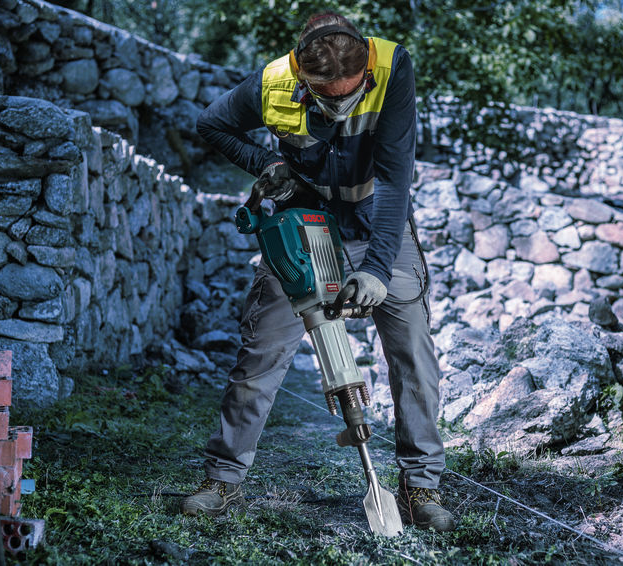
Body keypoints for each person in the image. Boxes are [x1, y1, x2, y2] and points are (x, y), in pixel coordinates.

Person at [181, 12, 456, 532]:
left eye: (350, 96)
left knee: (413, 355)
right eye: (328, 99)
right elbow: (211, 123)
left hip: (379, 224)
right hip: (301, 228)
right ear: (304, 78)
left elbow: (395, 177)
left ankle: (420, 486)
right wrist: (266, 163)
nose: (341, 108)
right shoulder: (272, 82)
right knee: (261, 354)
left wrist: (376, 270)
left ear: (365, 69)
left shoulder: (392, 66)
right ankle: (222, 479)